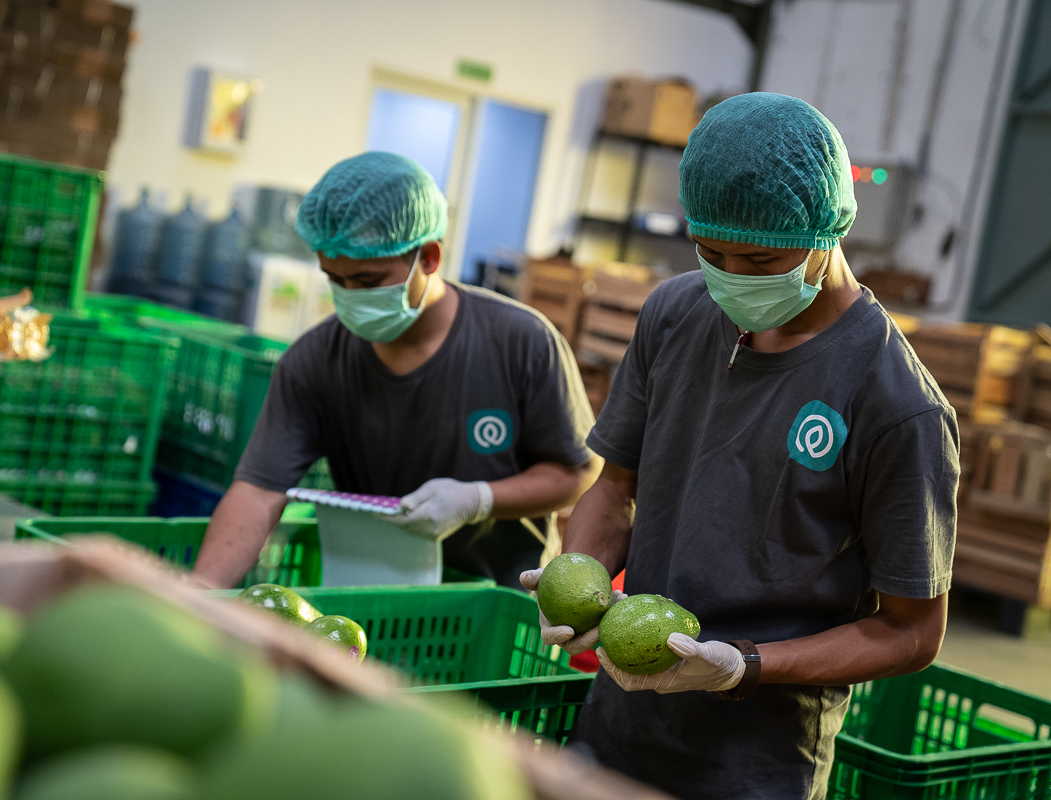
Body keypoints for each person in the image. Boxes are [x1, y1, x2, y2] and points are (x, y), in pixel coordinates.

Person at [520, 93, 958, 799]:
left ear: (828, 230)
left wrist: (743, 665)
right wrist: (580, 575)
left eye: (759, 258)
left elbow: (911, 632)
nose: (731, 280)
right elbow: (612, 487)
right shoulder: (676, 314)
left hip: (753, 768)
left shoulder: (897, 406)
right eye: (710, 251)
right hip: (616, 731)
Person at [193, 151, 599, 590]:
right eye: (336, 279)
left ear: (428, 257)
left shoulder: (521, 342)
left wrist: (478, 499)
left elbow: (578, 472)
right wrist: (198, 596)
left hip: (490, 605)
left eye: (368, 282)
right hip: (373, 598)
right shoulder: (314, 361)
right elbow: (258, 492)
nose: (350, 296)